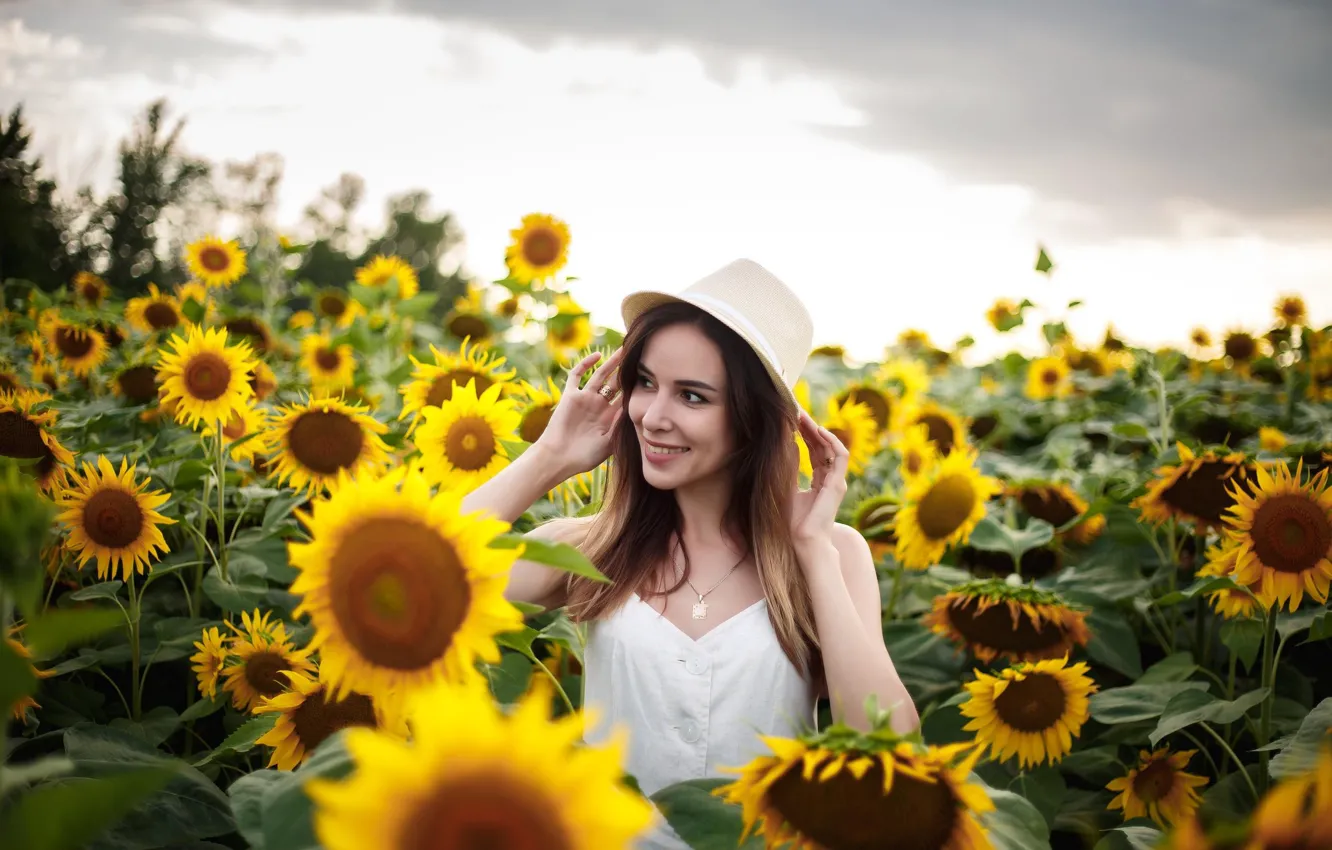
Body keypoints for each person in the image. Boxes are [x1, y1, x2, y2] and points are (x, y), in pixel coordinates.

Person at [460, 259, 919, 849]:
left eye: (692, 396)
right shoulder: (590, 547)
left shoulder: (831, 556)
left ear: (754, 421)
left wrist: (810, 549)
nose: (652, 417)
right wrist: (550, 455)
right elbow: (426, 576)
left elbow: (890, 743)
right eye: (646, 382)